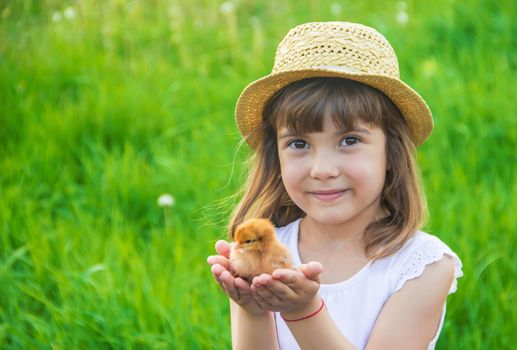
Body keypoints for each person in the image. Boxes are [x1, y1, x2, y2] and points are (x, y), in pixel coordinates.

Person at [207, 21, 463, 350]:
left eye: (349, 140)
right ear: (277, 155)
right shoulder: (263, 251)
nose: (322, 169)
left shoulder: (421, 266)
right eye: (299, 144)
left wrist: (303, 312)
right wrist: (252, 309)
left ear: (391, 151)